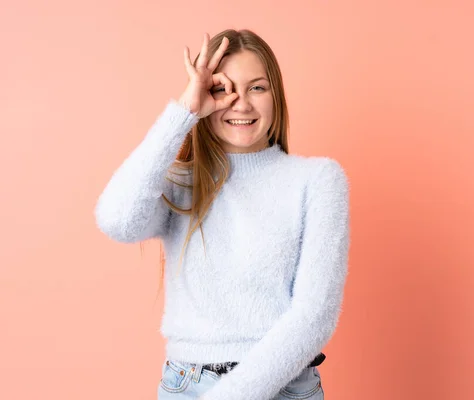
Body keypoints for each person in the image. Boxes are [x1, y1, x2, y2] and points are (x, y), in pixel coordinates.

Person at [94, 29, 350, 400]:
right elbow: (116, 220)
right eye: (222, 89)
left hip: (285, 388)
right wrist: (183, 113)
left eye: (257, 88)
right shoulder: (181, 181)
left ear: (276, 94)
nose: (241, 104)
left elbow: (314, 316)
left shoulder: (318, 179)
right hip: (186, 386)